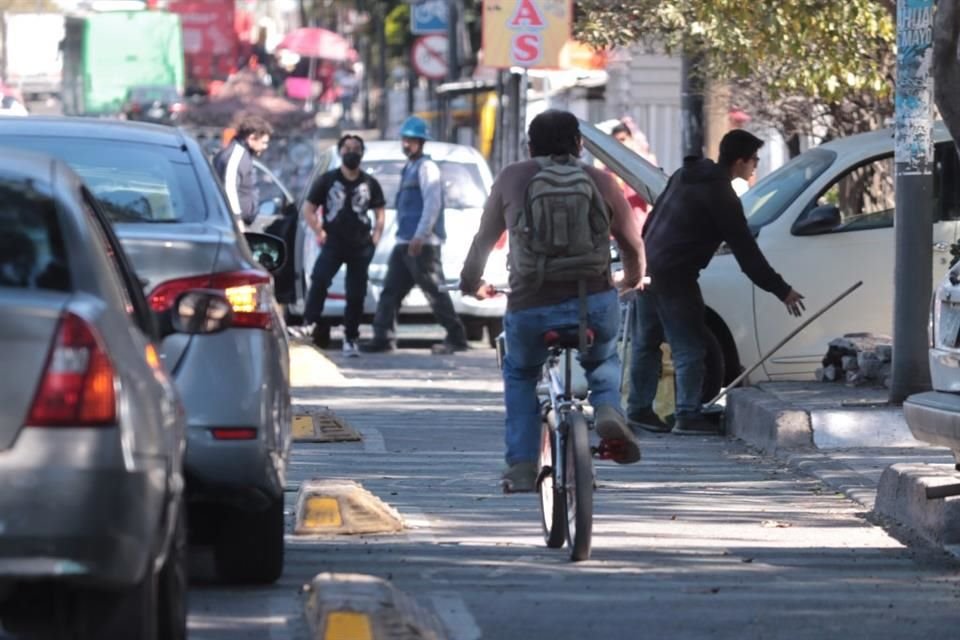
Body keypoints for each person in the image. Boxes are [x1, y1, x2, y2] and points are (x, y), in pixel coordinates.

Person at [459, 109, 646, 493]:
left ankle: (523, 465)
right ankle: (608, 407)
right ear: (579, 144)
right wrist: (629, 280)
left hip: (531, 304)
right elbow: (632, 244)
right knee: (603, 358)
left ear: (530, 146)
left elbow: (483, 240)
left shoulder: (513, 177)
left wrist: (470, 283)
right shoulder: (601, 180)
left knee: (521, 374)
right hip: (592, 300)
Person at [627, 129, 806, 436]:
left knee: (646, 344)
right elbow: (747, 252)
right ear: (739, 161)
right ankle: (687, 414)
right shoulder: (721, 195)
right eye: (754, 160)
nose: (755, 167)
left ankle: (639, 410)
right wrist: (782, 290)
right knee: (690, 348)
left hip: (649, 267)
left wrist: (640, 265)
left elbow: (653, 220)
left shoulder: (685, 175)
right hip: (676, 276)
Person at [362, 116, 469, 355]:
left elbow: (432, 204)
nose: (406, 144)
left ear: (421, 142)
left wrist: (420, 236)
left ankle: (456, 336)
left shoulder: (427, 168)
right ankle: (383, 337)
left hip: (422, 244)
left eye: (410, 140)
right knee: (391, 291)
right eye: (405, 139)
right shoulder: (410, 167)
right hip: (404, 241)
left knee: (434, 291)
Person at [302, 134, 386, 356]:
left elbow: (379, 211)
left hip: (360, 245)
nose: (351, 152)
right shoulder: (328, 180)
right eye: (347, 148)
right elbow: (308, 208)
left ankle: (351, 337)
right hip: (333, 243)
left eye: (356, 148)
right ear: (340, 152)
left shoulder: (369, 183)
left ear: (362, 153)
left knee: (356, 294)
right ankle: (309, 323)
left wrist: (376, 236)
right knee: (319, 280)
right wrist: (319, 230)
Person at [213, 114, 272, 227]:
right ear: (251, 138)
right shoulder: (236, 155)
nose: (265, 147)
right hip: (235, 224)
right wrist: (237, 219)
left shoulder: (242, 154)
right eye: (263, 142)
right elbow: (229, 188)